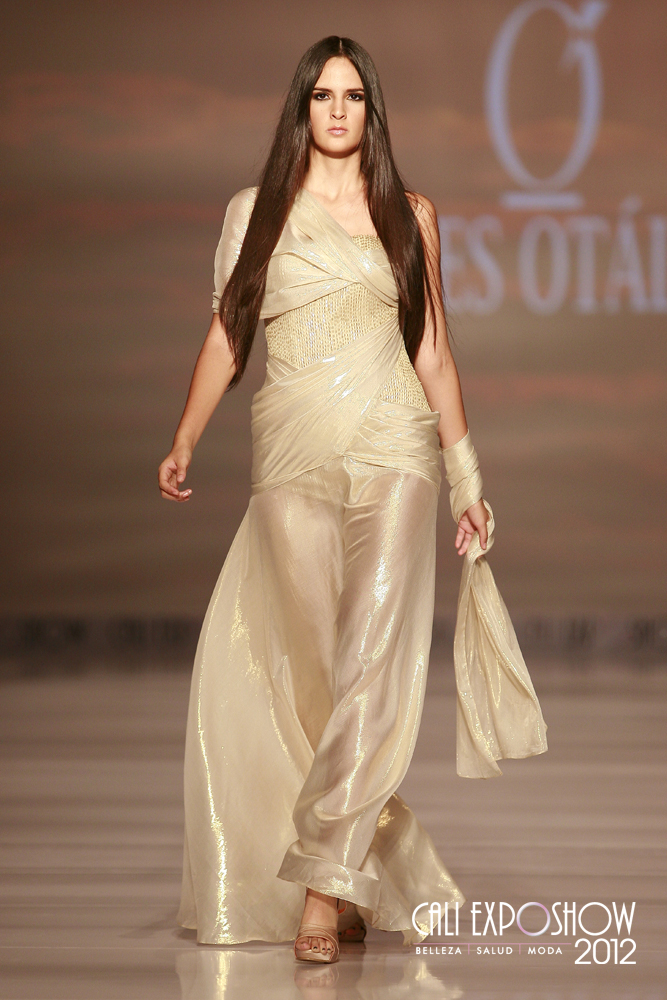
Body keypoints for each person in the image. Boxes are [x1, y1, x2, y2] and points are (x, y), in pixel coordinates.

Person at [158, 36, 548, 965]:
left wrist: (465, 477)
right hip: (291, 453)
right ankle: (364, 860)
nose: (338, 111)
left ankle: (322, 891)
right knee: (317, 674)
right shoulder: (254, 213)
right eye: (322, 96)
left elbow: (432, 350)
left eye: (354, 97)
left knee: (371, 667)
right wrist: (184, 438)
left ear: (372, 112)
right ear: (301, 109)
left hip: (394, 451)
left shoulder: (410, 215)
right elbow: (227, 333)